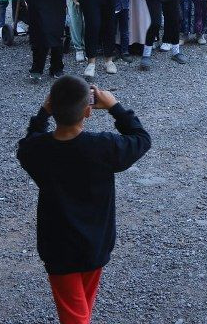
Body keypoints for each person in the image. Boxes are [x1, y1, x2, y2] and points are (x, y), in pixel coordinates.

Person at [17, 76, 151, 324]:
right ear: (88, 111)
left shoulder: (36, 150)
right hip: (95, 243)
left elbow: (28, 140)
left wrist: (42, 114)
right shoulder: (103, 147)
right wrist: (115, 107)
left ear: (52, 107)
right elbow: (141, 138)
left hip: (58, 247)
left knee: (75, 315)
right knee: (80, 311)